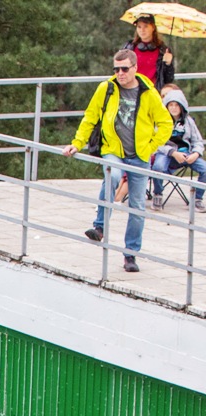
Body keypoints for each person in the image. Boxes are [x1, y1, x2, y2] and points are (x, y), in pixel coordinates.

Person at [63, 49, 172, 273]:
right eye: (116, 69)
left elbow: (165, 123)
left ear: (135, 68)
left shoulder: (148, 93)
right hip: (113, 150)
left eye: (124, 69)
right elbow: (90, 116)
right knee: (111, 177)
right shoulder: (107, 88)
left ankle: (130, 255)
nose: (120, 73)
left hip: (139, 156)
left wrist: (150, 147)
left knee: (138, 207)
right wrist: (77, 142)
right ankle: (100, 227)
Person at [150, 88, 206, 212]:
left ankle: (197, 199)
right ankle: (158, 194)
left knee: (205, 169)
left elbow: (198, 141)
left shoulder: (189, 121)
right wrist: (173, 153)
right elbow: (156, 142)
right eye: (171, 105)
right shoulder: (160, 122)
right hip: (166, 153)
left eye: (177, 105)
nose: (174, 108)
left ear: (182, 107)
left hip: (186, 153)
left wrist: (196, 154)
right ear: (167, 106)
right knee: (158, 168)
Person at [123, 13, 175, 93]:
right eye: (139, 27)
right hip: (132, 93)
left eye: (146, 26)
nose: (142, 30)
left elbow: (168, 79)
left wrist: (168, 64)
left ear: (153, 27)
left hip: (153, 93)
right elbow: (121, 71)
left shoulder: (163, 50)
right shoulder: (129, 48)